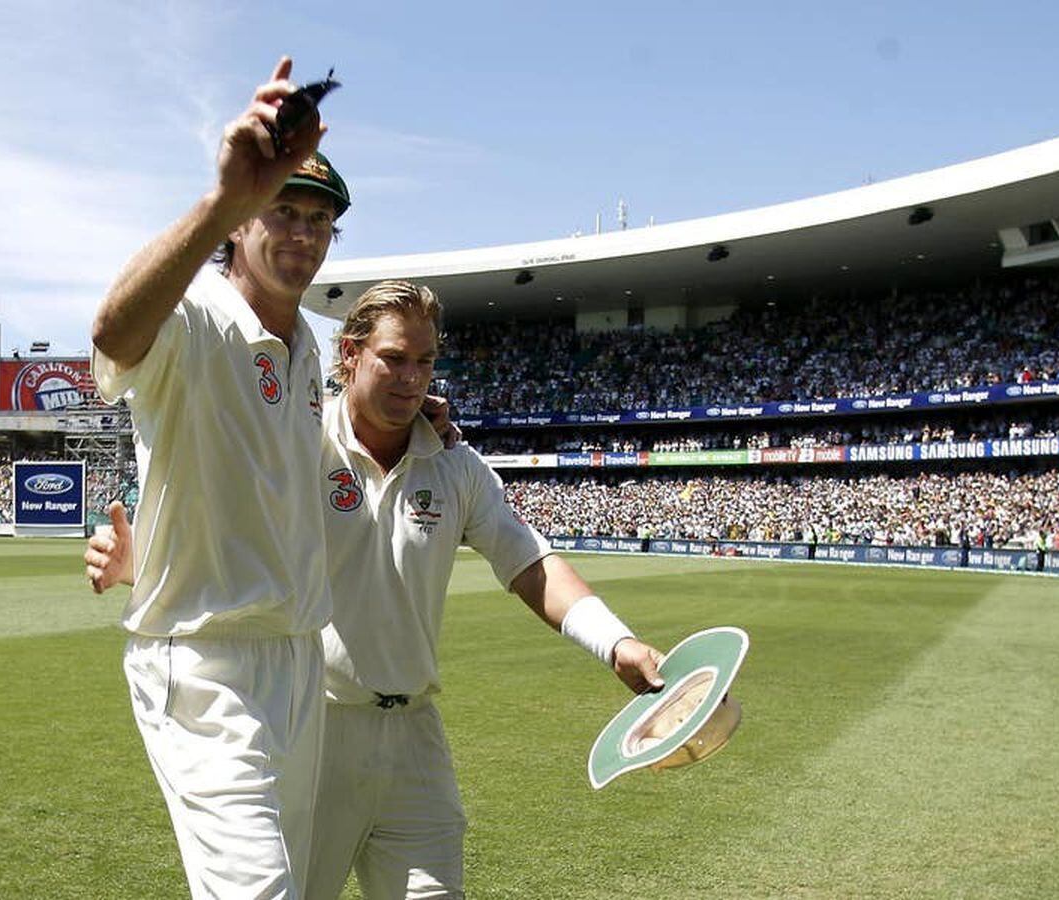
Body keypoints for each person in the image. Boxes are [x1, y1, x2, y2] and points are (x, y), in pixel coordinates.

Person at [88, 281, 666, 900]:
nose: (411, 378)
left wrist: (616, 643)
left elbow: (529, 562)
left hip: (415, 740)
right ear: (349, 357)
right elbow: (220, 520)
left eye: (424, 362)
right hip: (312, 728)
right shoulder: (297, 445)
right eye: (393, 358)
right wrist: (141, 564)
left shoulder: (455, 465)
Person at [88, 56, 350, 899]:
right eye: (281, 210)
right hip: (202, 662)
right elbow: (114, 329)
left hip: (298, 658)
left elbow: (269, 492)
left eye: (319, 218)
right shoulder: (193, 320)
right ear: (241, 227)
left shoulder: (312, 347)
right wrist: (219, 202)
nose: (302, 232)